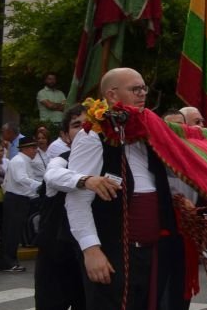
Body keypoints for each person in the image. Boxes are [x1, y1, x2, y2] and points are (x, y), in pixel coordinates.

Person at [66, 67, 181, 310]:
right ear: (112, 95)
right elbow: (77, 200)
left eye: (143, 88)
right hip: (113, 255)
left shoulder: (149, 133)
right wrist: (91, 250)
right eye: (134, 89)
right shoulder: (91, 135)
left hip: (151, 255)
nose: (142, 94)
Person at [38, 104, 118, 310]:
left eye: (89, 124)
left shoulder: (108, 157)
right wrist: (85, 179)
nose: (84, 128)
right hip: (57, 254)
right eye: (76, 125)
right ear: (65, 136)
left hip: (87, 253)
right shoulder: (60, 160)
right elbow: (52, 176)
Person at [0, 137, 39, 272]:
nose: (35, 151)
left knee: (12, 231)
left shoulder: (24, 161)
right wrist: (39, 186)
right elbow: (21, 179)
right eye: (32, 148)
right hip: (16, 199)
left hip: (20, 199)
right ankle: (8, 262)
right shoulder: (19, 161)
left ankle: (3, 262)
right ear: (25, 149)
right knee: (11, 232)